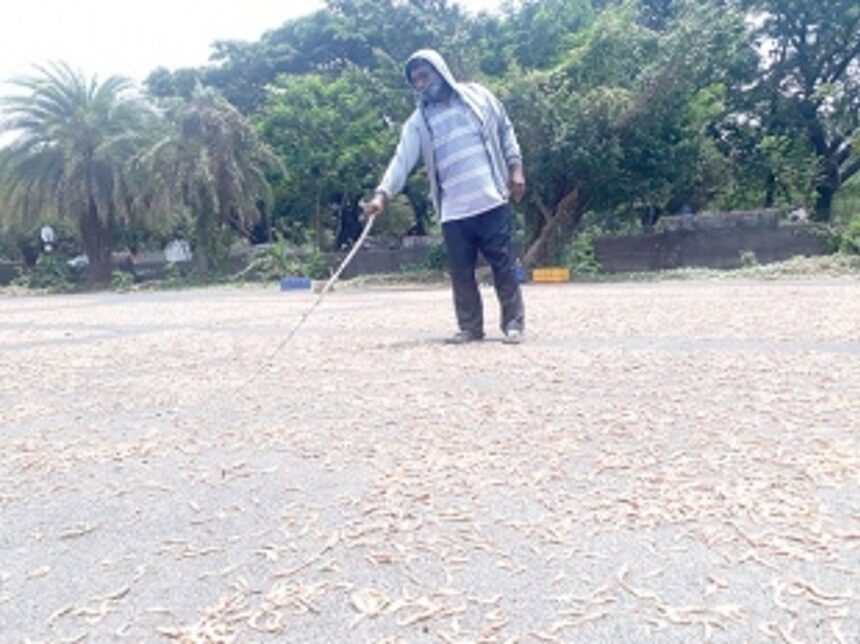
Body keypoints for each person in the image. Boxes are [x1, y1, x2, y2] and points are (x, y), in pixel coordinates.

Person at [362, 49, 526, 345]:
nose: (420, 84)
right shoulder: (419, 122)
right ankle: (470, 327)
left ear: (440, 71)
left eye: (424, 76)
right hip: (453, 211)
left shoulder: (478, 97)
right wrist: (381, 196)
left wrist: (516, 170)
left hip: (491, 200)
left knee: (503, 266)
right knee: (461, 273)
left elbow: (505, 130)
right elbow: (401, 160)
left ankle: (513, 324)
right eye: (415, 80)